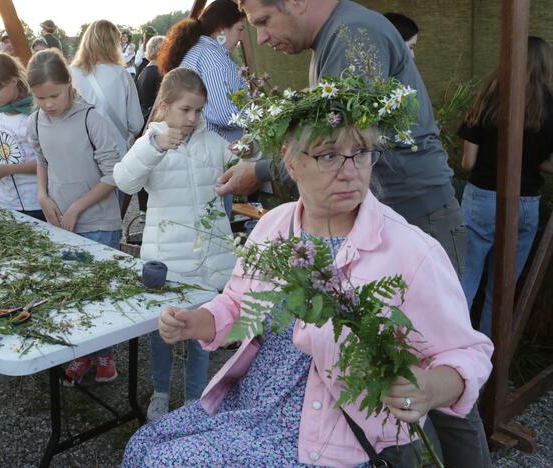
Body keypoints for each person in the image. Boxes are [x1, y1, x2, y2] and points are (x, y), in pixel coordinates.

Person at [122, 74, 493, 467]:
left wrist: (431, 388)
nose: (350, 171)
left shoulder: (411, 251)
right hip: (252, 403)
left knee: (165, 462)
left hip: (320, 436)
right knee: (142, 446)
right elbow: (237, 306)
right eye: (329, 155)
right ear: (290, 161)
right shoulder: (275, 225)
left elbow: (468, 353)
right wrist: (198, 322)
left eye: (362, 152)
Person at [232, 1, 487, 465]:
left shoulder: (351, 37)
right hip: (372, 223)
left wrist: (261, 169)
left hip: (413, 218)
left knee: (435, 369)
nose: (263, 38)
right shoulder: (334, 38)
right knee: (384, 362)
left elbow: (337, 141)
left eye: (264, 22)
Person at [114, 68, 236, 421]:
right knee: (164, 333)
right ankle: (161, 391)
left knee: (201, 336)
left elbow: (239, 162)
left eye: (198, 111)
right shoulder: (149, 142)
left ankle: (195, 399)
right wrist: (153, 148)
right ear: (165, 107)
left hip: (209, 259)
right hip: (167, 260)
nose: (193, 118)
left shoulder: (211, 141)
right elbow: (123, 179)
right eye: (185, 110)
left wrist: (252, 150)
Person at [27, 49, 123, 386]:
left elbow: (114, 175)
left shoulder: (91, 119)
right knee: (70, 290)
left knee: (99, 291)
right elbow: (41, 160)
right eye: (40, 98)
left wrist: (77, 207)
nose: (48, 104)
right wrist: (42, 195)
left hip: (97, 221)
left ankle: (106, 353)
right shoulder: (37, 119)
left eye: (54, 95)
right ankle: (80, 351)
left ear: (70, 83)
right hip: (60, 223)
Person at [458, 36, 553, 338]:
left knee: (464, 281)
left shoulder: (487, 97)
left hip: (481, 198)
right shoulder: (551, 106)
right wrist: (529, 161)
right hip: (525, 203)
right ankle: (491, 370)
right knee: (502, 291)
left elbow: (468, 163)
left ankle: (451, 358)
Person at [158, 0, 248, 215]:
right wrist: (260, 116)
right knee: (211, 227)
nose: (241, 37)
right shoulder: (213, 58)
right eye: (240, 29)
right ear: (222, 28)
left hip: (198, 158)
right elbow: (224, 113)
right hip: (210, 161)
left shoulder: (198, 52)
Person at [0, 52, 43, 221]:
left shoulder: (34, 115)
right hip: (3, 200)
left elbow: (47, 162)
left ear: (14, 81)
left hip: (34, 202)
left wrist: (8, 169)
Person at [70, 20, 143, 162]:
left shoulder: (70, 74)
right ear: (114, 44)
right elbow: (136, 124)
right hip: (116, 155)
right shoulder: (122, 75)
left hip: (82, 156)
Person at [134, 35, 166, 213]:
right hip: (152, 123)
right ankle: (147, 210)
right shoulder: (155, 73)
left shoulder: (145, 70)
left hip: (144, 122)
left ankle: (143, 211)